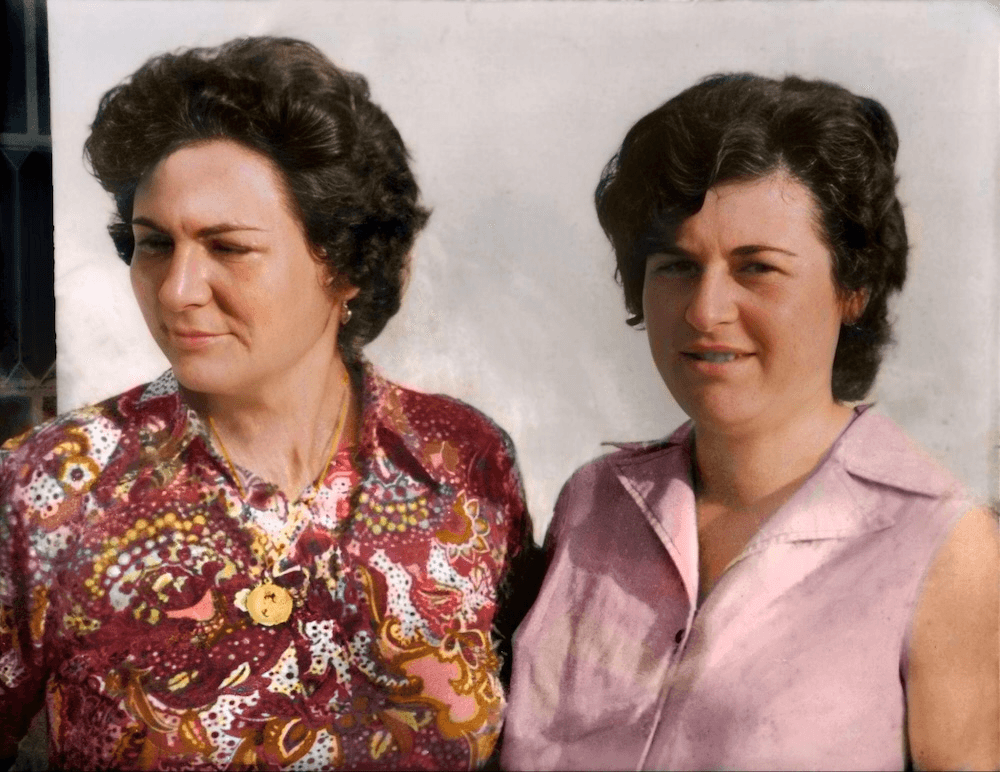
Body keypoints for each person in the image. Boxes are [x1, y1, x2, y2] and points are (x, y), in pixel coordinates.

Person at [0, 36, 534, 770]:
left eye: (228, 247)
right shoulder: (50, 486)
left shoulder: (463, 460)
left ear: (343, 263)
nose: (177, 288)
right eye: (154, 244)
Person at [502, 73, 999, 770]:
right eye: (676, 264)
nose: (706, 310)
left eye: (757, 268)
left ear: (853, 289)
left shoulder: (944, 545)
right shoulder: (594, 503)